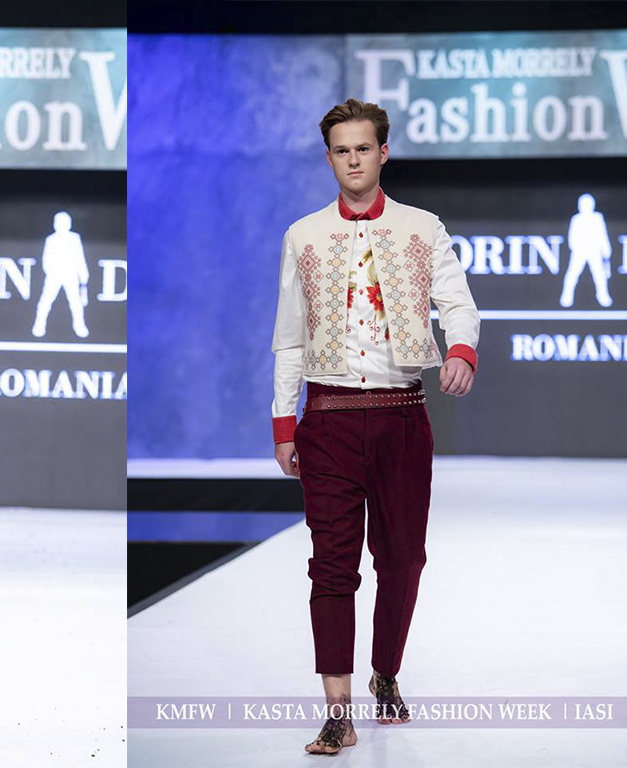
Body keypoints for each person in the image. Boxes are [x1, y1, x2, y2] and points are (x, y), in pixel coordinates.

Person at [270, 98, 480, 754]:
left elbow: (458, 303)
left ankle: (385, 672)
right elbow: (289, 337)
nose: (354, 160)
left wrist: (461, 350)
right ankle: (337, 712)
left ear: (383, 153)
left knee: (403, 560)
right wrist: (283, 422)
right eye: (342, 150)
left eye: (364, 148)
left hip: (400, 417)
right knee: (331, 567)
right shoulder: (303, 236)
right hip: (328, 419)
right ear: (329, 157)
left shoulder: (422, 227)